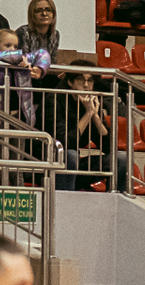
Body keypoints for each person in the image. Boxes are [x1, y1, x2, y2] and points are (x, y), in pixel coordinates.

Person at [41, 61, 118, 191]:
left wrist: (95, 115)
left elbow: (109, 147)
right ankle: (65, 199)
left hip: (74, 164)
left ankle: (115, 198)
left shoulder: (90, 103)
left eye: (90, 80)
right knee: (70, 155)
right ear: (70, 82)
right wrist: (88, 114)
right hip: (50, 163)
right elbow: (64, 143)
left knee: (120, 159)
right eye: (81, 80)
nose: (86, 85)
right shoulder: (54, 100)